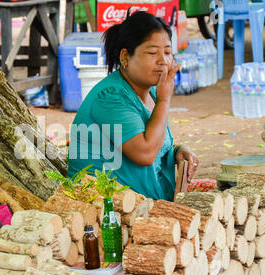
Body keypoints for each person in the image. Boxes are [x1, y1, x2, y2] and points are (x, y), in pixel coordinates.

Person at [67, 10, 199, 201]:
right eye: (152, 52)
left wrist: (177, 151)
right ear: (125, 57)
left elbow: (154, 141)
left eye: (168, 52)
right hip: (106, 211)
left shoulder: (151, 92)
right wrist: (164, 100)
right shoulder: (110, 98)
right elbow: (144, 153)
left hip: (146, 206)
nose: (163, 61)